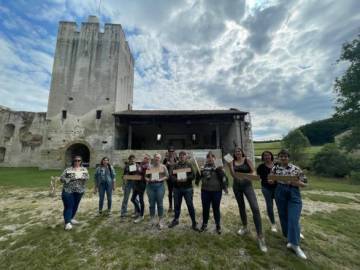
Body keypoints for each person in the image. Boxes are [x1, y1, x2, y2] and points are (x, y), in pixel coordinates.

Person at [228, 147, 267, 253]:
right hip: (237, 187)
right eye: (236, 152)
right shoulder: (232, 162)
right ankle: (245, 227)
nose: (238, 153)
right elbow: (233, 175)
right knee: (241, 207)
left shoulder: (247, 160)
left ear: (242, 153)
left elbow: (253, 171)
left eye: (239, 152)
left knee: (255, 208)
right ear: (234, 154)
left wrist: (248, 176)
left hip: (247, 186)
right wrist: (230, 166)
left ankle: (260, 236)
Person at [270, 149, 308, 260]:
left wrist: (296, 183)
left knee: (293, 218)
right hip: (280, 191)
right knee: (283, 217)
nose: (283, 158)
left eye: (285, 156)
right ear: (278, 158)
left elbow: (305, 183)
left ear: (288, 157)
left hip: (293, 192)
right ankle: (290, 238)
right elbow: (271, 179)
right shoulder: (275, 168)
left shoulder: (296, 169)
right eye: (281, 156)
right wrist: (271, 180)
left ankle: (295, 246)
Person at [196, 151, 228, 234]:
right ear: (206, 159)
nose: (210, 159)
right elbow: (198, 178)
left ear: (214, 158)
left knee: (216, 208)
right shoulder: (203, 167)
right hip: (205, 191)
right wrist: (198, 172)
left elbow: (224, 178)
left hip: (216, 191)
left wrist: (225, 187)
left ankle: (218, 225)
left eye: (211, 157)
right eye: (208, 157)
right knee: (205, 209)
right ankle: (204, 224)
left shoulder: (219, 167)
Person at [168, 151, 199, 231]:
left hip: (187, 188)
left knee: (190, 205)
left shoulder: (189, 164)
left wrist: (186, 179)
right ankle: (176, 220)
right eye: (180, 156)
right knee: (177, 205)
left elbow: (193, 175)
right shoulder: (175, 165)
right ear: (179, 157)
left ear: (185, 156)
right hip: (177, 189)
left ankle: (194, 222)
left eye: (183, 155)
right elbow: (171, 175)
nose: (181, 157)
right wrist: (177, 180)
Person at [60, 155, 89, 231]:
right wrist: (70, 178)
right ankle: (67, 223)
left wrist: (83, 178)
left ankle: (71, 218)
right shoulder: (68, 169)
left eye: (79, 160)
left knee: (75, 206)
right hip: (68, 191)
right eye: (75, 160)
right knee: (69, 206)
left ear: (81, 161)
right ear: (73, 161)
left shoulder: (84, 169)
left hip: (79, 191)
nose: (77, 162)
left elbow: (87, 178)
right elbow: (61, 179)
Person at [145, 153, 169, 229]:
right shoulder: (149, 167)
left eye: (158, 158)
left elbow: (167, 176)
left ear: (160, 159)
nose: (157, 159)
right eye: (156, 157)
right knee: (151, 204)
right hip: (150, 187)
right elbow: (145, 177)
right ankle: (152, 219)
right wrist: (149, 179)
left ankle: (160, 220)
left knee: (160, 204)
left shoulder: (163, 167)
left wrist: (160, 179)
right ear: (154, 158)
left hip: (160, 186)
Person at [257, 151, 277, 232]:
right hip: (266, 188)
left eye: (268, 155)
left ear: (271, 156)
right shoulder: (260, 167)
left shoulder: (277, 165)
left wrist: (274, 180)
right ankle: (273, 224)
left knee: (281, 206)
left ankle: (286, 223)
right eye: (265, 156)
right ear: (263, 157)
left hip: (277, 188)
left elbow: (282, 175)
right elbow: (257, 176)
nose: (267, 157)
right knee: (269, 206)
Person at [132, 154, 151, 223]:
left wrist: (138, 168)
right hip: (136, 184)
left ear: (148, 160)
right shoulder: (140, 165)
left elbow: (146, 175)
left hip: (142, 184)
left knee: (140, 199)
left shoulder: (147, 166)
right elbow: (133, 171)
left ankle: (141, 215)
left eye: (146, 158)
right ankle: (139, 211)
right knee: (133, 199)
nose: (145, 159)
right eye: (144, 158)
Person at [163, 146, 178, 212]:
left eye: (172, 151)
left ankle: (176, 207)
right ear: (168, 152)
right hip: (169, 179)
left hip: (176, 178)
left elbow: (180, 167)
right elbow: (162, 169)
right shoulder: (165, 159)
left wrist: (175, 163)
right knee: (170, 193)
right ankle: (170, 206)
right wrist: (166, 164)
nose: (171, 152)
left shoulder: (177, 159)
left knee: (176, 193)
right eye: (170, 151)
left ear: (174, 152)